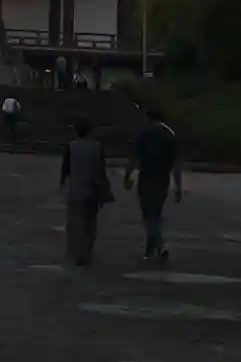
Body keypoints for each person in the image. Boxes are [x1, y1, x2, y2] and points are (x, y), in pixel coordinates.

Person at [124, 105, 181, 264]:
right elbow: (176, 163)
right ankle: (152, 246)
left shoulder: (143, 134)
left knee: (148, 213)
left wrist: (127, 177)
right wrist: (178, 185)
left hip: (146, 177)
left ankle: (159, 244)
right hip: (162, 179)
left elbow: (133, 158)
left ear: (148, 118)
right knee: (155, 212)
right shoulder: (169, 135)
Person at [59, 118, 112, 265]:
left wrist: (62, 183)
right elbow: (101, 169)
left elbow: (65, 168)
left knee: (76, 222)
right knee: (90, 221)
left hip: (76, 188)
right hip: (92, 189)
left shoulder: (71, 146)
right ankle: (87, 248)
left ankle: (79, 251)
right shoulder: (97, 147)